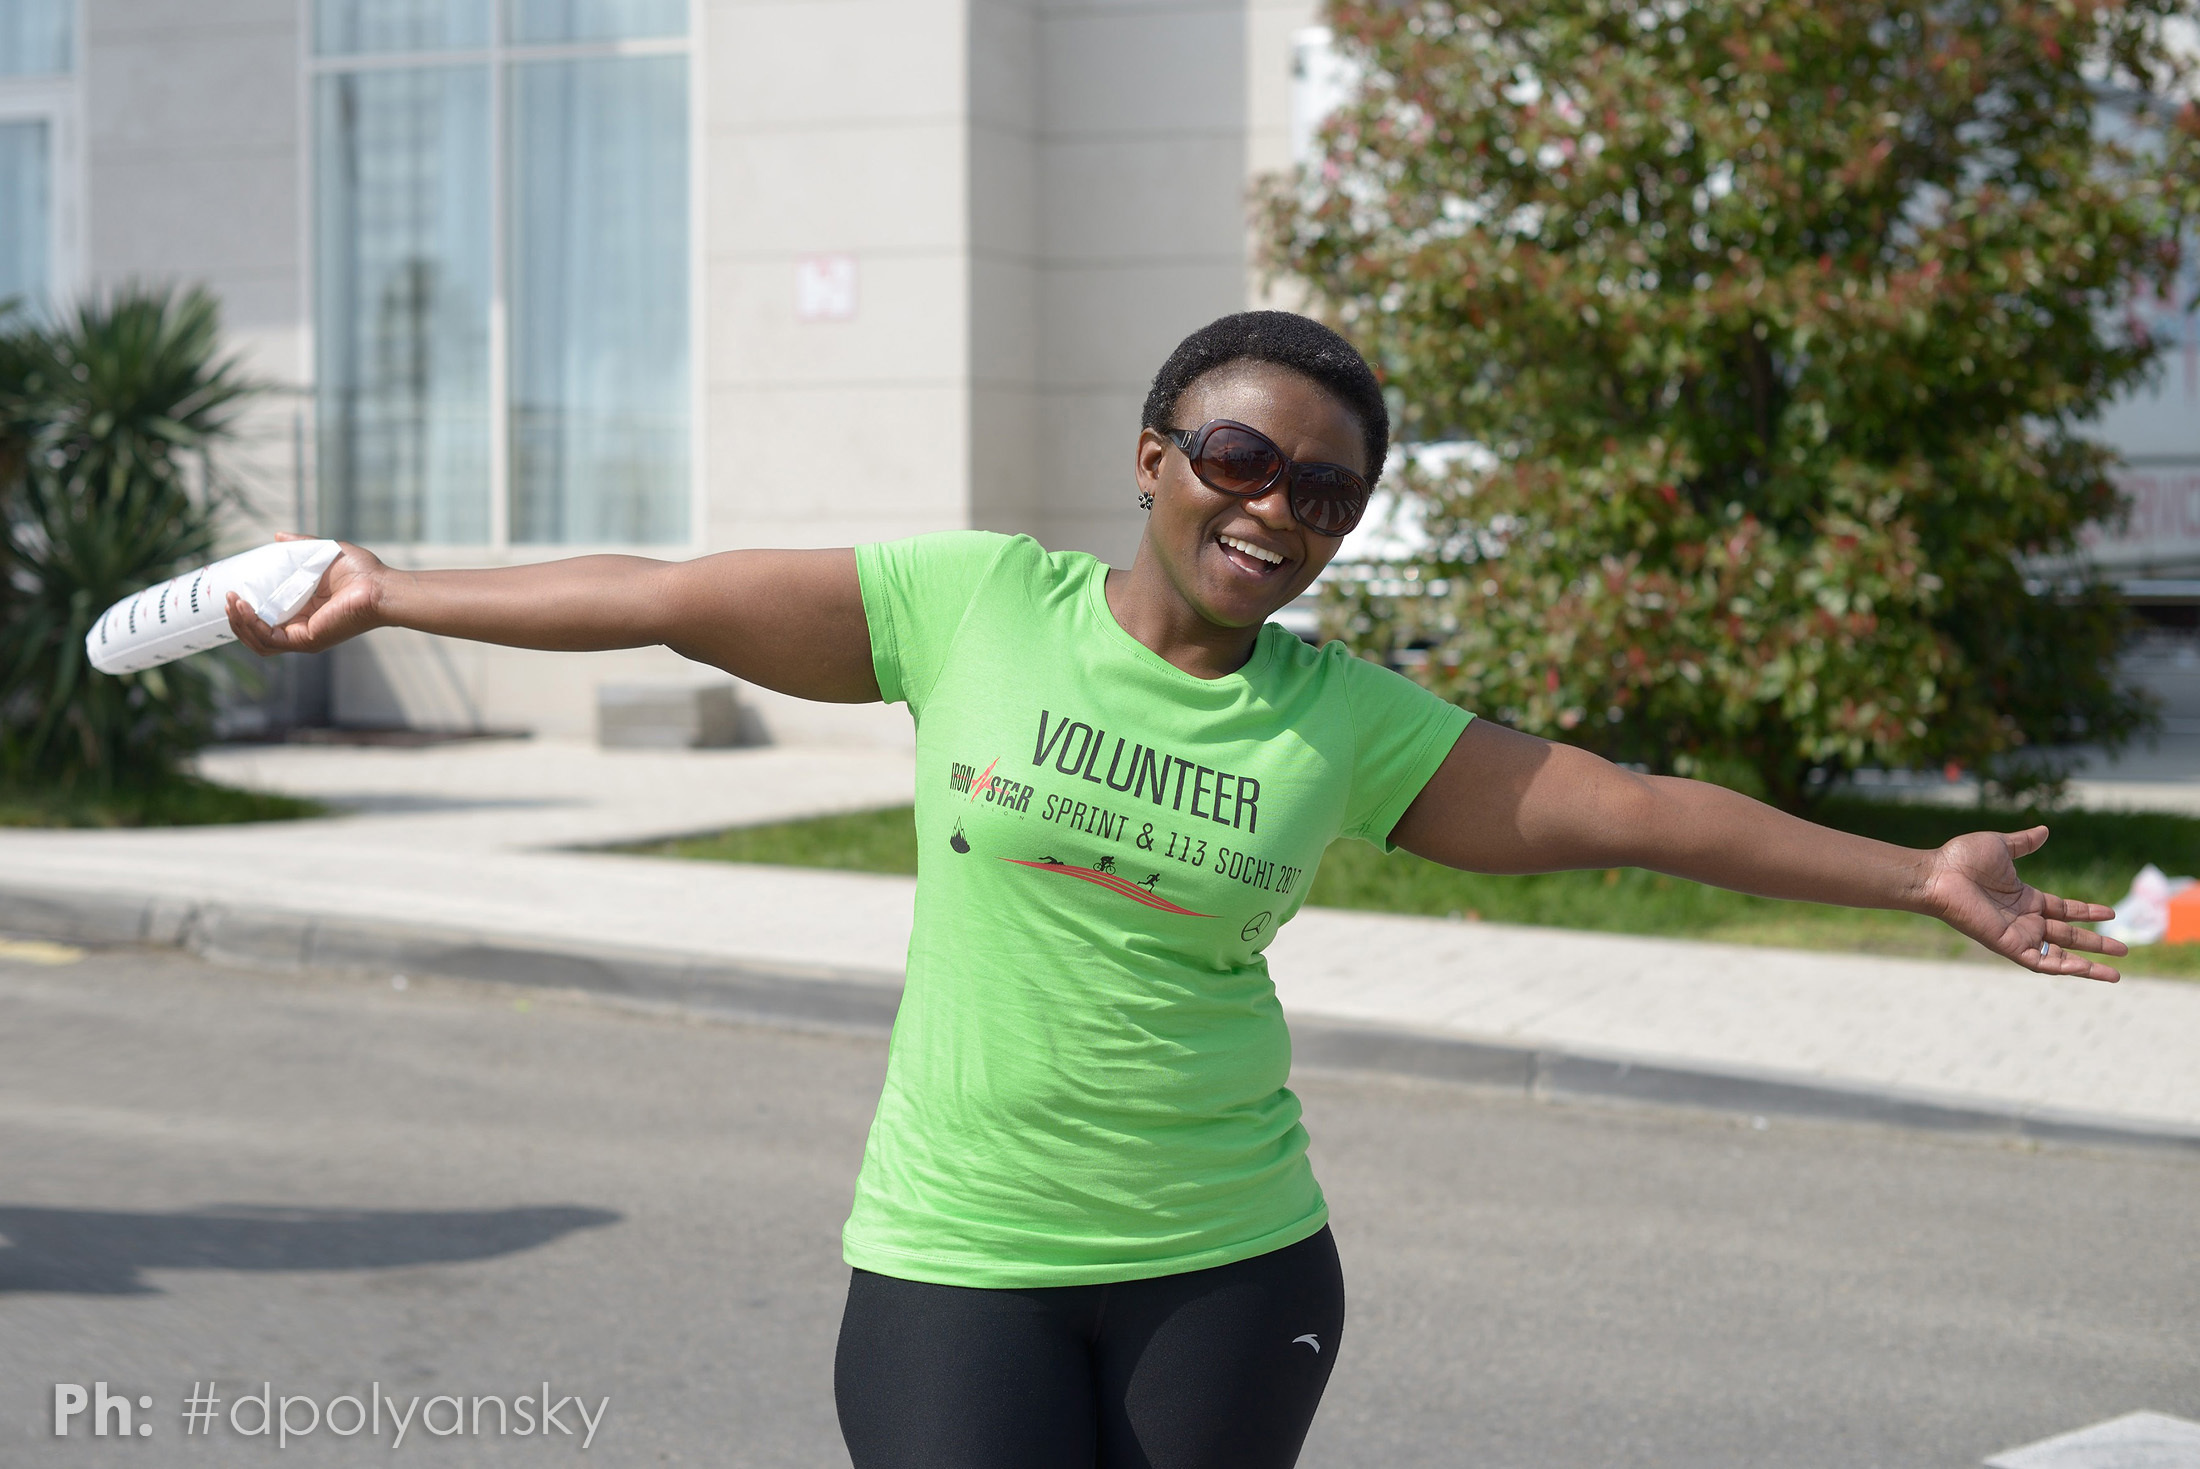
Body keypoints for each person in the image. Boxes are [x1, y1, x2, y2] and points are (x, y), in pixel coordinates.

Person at [227, 311, 2124, 1469]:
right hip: (955, 1256)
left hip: (1228, 1266)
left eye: (1326, 495)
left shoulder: (1345, 722)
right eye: (1241, 457)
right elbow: (658, 595)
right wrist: (400, 593)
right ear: (1154, 459)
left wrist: (1915, 874)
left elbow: (1631, 812)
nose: (1275, 509)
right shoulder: (970, 606)